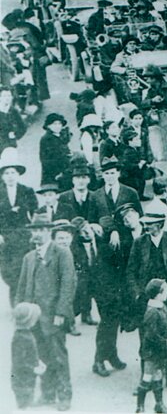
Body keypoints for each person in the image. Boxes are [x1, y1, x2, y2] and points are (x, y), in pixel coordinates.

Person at [16, 211, 76, 411]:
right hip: (33, 318)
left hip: (53, 316)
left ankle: (64, 396)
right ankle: (48, 394)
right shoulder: (29, 257)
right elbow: (22, 287)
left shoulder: (62, 253)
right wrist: (21, 313)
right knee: (41, 357)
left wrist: (61, 312)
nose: (38, 234)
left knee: (58, 356)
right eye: (35, 230)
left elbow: (68, 285)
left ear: (49, 231)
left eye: (42, 229)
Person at [126, 210, 167, 391]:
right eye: (144, 224)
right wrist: (138, 294)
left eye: (149, 224)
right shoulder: (139, 243)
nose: (145, 227)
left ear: (160, 224)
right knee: (146, 339)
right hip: (146, 300)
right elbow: (130, 271)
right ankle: (145, 380)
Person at [0, 148, 38, 306]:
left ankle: (20, 302)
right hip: (4, 236)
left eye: (13, 172)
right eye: (7, 173)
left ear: (18, 174)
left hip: (23, 235)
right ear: (2, 175)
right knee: (8, 269)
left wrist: (33, 232)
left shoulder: (27, 191)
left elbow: (35, 212)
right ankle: (15, 298)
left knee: (23, 268)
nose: (10, 176)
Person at [136, 278, 167, 413]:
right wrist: (165, 342)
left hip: (159, 350)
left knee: (158, 375)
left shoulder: (162, 307)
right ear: (158, 294)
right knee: (147, 378)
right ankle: (139, 407)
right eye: (165, 291)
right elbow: (151, 335)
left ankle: (159, 404)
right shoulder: (152, 312)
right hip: (151, 351)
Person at [11, 301, 45, 409]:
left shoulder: (23, 334)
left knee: (27, 399)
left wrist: (37, 362)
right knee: (24, 403)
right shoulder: (23, 338)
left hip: (25, 378)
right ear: (31, 321)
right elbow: (19, 362)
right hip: (22, 379)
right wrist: (34, 368)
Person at [39, 113, 71, 187]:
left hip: (64, 172)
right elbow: (46, 159)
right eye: (54, 124)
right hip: (53, 174)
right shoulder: (47, 139)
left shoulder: (61, 137)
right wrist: (57, 173)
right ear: (48, 126)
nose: (57, 126)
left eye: (59, 124)